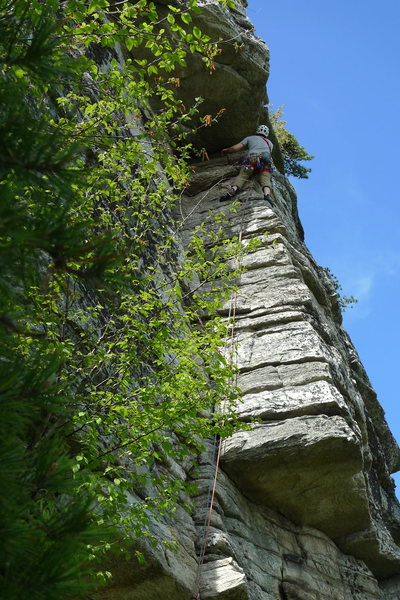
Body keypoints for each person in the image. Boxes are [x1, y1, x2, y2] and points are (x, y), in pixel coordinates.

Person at [220, 124, 274, 207]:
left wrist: (226, 150)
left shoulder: (250, 138)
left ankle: (233, 190)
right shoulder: (270, 143)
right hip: (265, 163)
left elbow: (235, 148)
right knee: (265, 178)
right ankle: (267, 195)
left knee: (243, 175)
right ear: (267, 133)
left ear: (257, 131)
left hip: (252, 159)